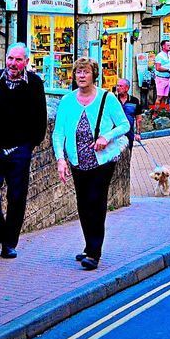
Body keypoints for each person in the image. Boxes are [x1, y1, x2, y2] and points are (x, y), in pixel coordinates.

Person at [52, 57, 129, 270]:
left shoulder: (107, 98)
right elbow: (58, 133)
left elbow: (124, 125)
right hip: (78, 161)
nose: (82, 76)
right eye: (78, 72)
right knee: (83, 205)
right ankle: (88, 246)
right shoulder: (67, 101)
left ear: (94, 74)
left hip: (102, 161)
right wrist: (61, 159)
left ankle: (94, 253)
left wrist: (106, 137)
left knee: (96, 202)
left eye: (86, 72)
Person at [0, 43, 47, 260]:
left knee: (17, 196)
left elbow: (40, 116)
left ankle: (9, 243)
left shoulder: (34, 84)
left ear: (26, 62)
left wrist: (30, 144)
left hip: (18, 150)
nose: (13, 64)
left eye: (18, 60)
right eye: (10, 59)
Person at [114, 78, 142, 146]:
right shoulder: (113, 100)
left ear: (127, 88)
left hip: (129, 134)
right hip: (115, 134)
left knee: (128, 155)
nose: (118, 88)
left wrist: (138, 133)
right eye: (117, 86)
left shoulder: (135, 101)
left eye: (120, 86)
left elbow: (139, 119)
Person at [151, 40, 170, 111]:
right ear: (163, 46)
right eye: (168, 45)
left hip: (168, 78)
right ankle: (155, 113)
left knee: (165, 97)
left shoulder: (169, 56)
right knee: (159, 97)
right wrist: (168, 70)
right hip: (161, 79)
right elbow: (158, 67)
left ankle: (162, 111)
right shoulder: (159, 56)